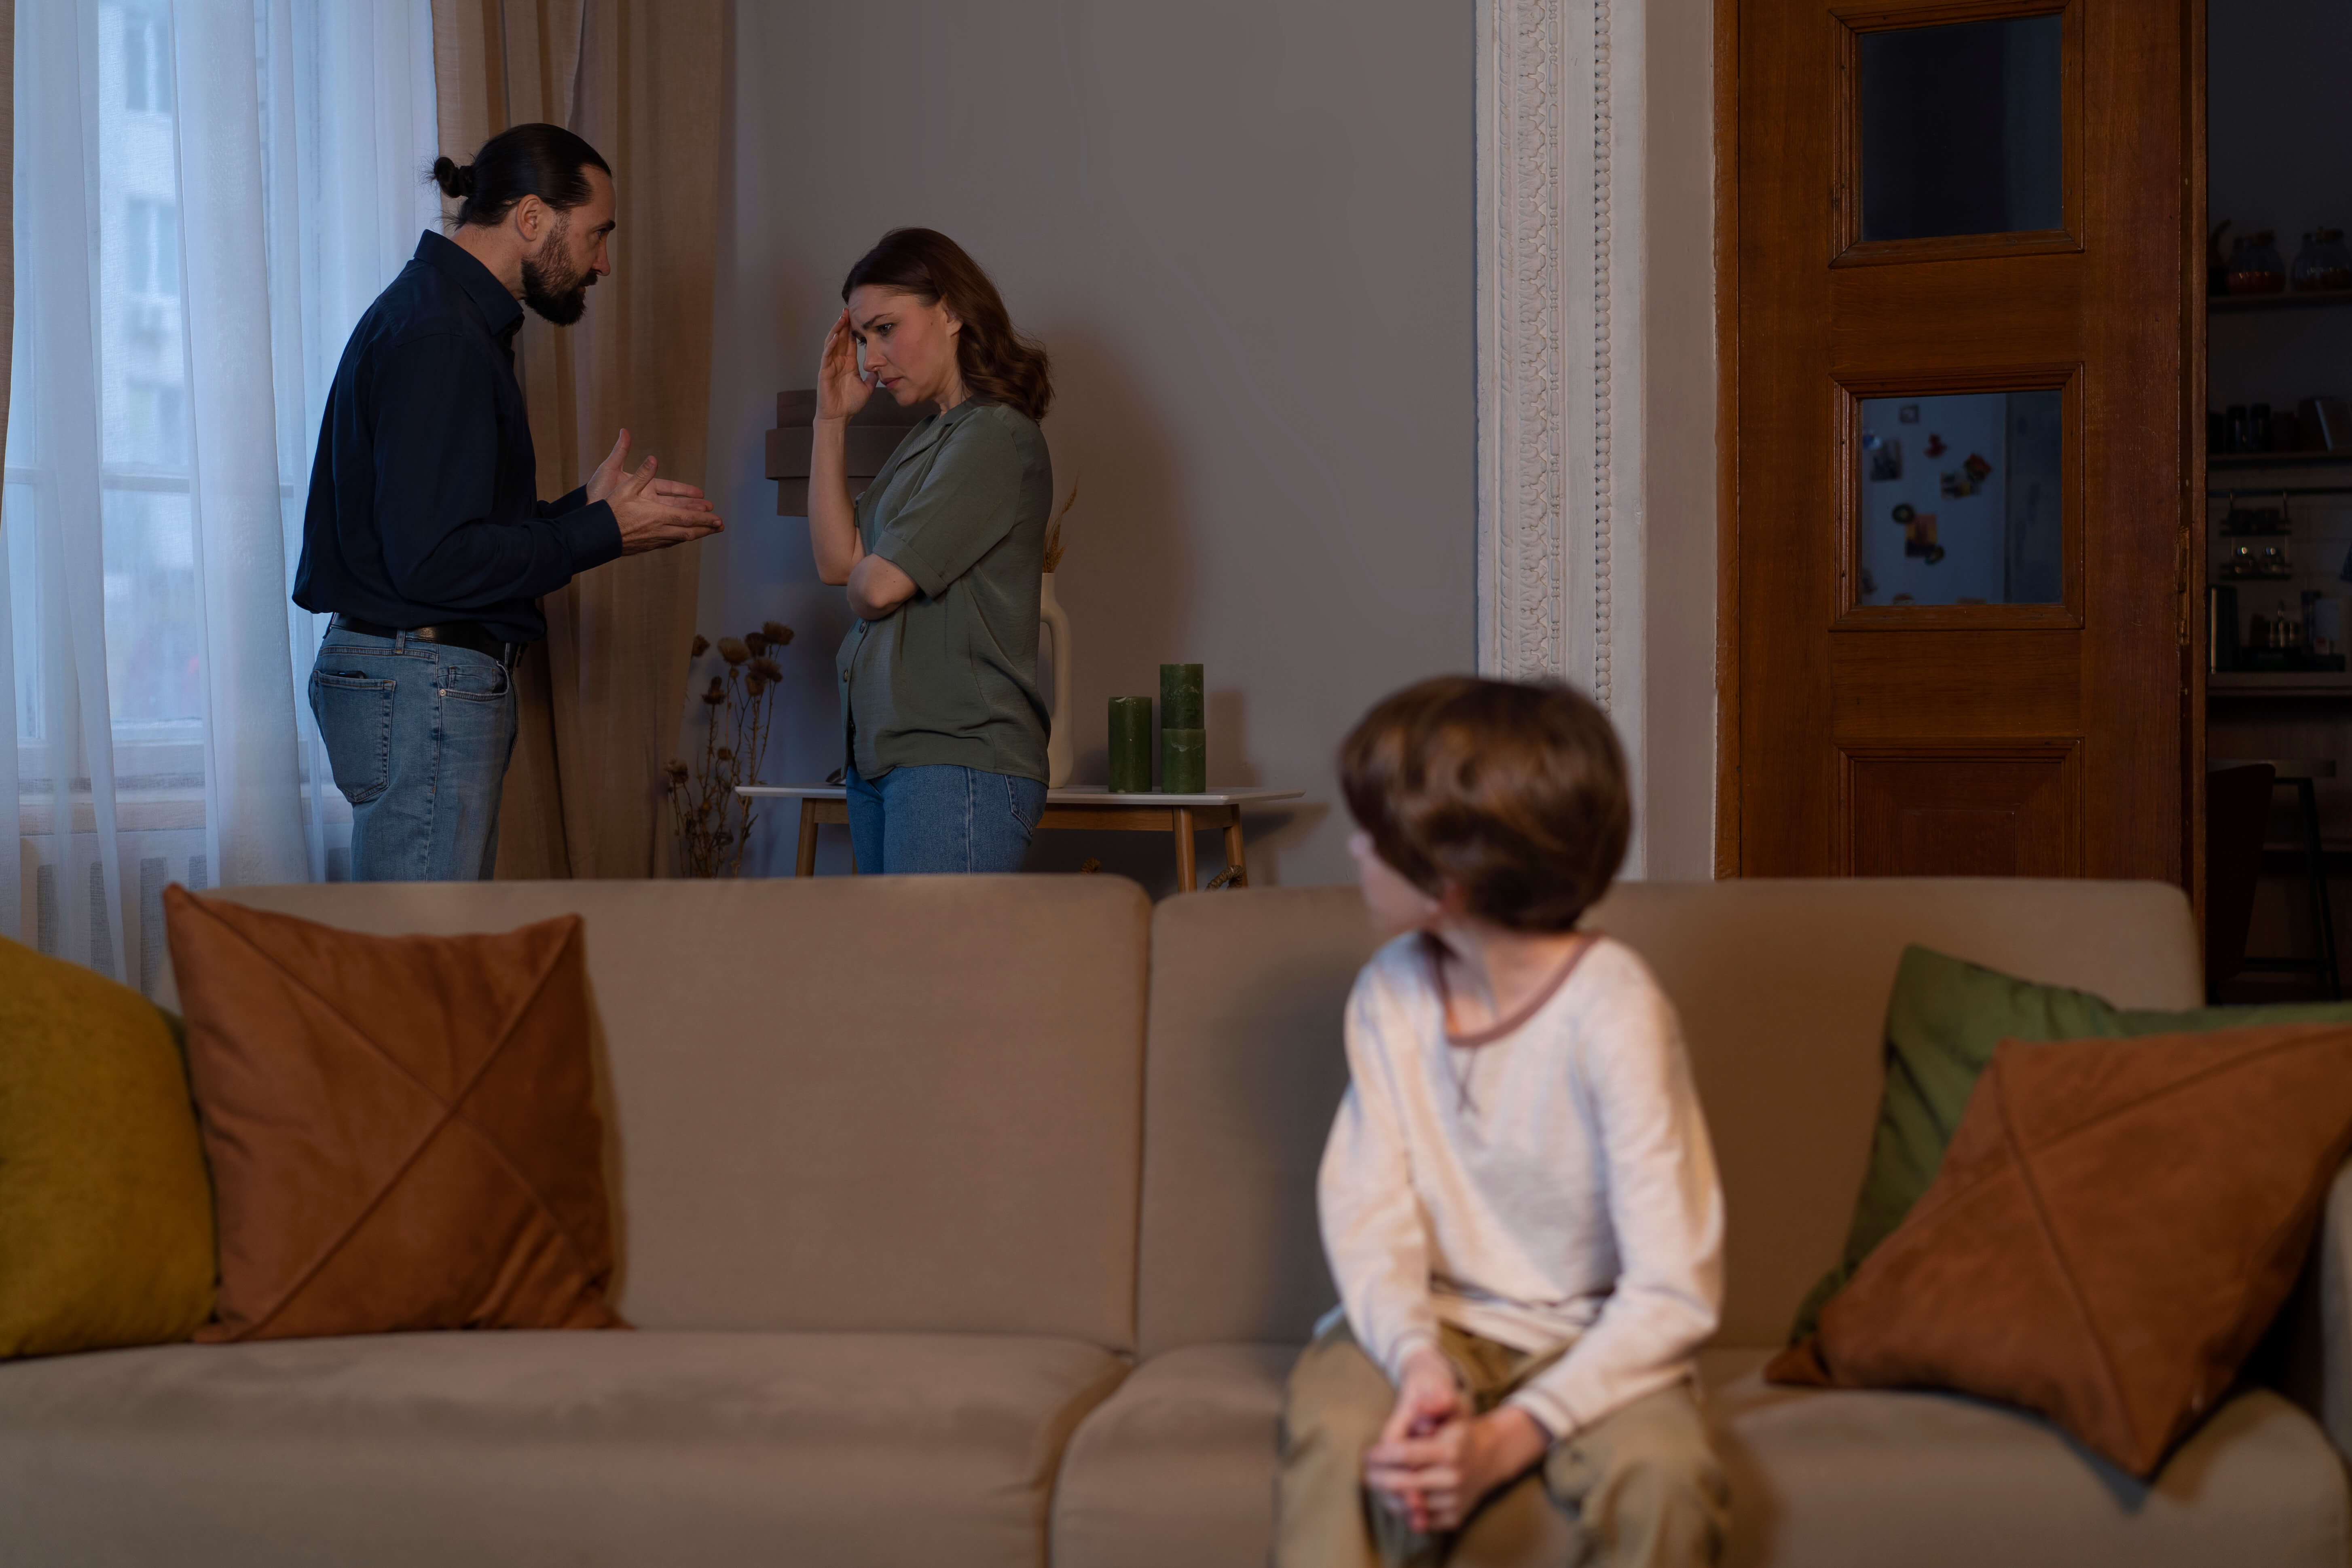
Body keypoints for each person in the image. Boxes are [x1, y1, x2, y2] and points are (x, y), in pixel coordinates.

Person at [1277, 677, 1729, 1568]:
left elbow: (1673, 1290)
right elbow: (1370, 1216)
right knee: (1338, 1434)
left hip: (1595, 1332)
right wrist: (1414, 1360)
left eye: (1376, 832)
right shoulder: (1389, 993)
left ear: (1450, 881)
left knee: (1663, 1476)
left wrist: (1507, 1439)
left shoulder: (1613, 1008)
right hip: (1429, 1318)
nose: (1354, 845)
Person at [293, 124, 720, 881]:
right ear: (531, 219)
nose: (604, 264)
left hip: (413, 674)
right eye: (596, 235)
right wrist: (601, 533)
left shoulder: (441, 318)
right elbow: (433, 563)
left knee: (425, 958)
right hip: (424, 679)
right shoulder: (442, 335)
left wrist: (581, 513)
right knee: (423, 967)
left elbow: (441, 535)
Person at [804, 228, 1055, 874]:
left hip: (957, 762)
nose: (869, 361)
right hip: (891, 759)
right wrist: (830, 422)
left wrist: (873, 575)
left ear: (951, 311)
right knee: (900, 974)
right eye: (861, 338)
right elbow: (839, 561)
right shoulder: (929, 440)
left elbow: (878, 586)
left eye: (885, 329)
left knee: (940, 974)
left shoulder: (996, 435)